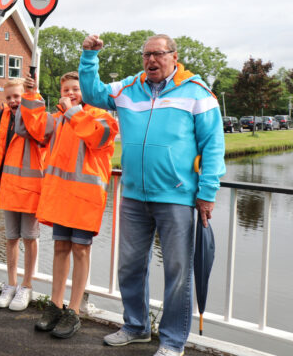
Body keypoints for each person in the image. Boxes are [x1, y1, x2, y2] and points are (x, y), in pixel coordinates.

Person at [79, 34, 225, 356]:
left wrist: (207, 191)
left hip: (176, 197)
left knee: (177, 271)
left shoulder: (197, 93)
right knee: (129, 266)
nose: (152, 61)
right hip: (133, 194)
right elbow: (91, 93)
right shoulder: (129, 89)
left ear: (174, 56)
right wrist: (89, 57)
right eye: (146, 55)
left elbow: (213, 145)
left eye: (158, 54)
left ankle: (173, 341)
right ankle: (136, 326)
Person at [25, 71, 118, 338]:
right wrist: (32, 95)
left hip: (85, 198)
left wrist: (73, 112)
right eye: (66, 90)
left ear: (85, 91)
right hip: (62, 197)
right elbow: (36, 129)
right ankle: (55, 305)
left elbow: (97, 138)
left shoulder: (103, 116)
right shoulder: (60, 118)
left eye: (75, 89)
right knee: (61, 248)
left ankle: (74, 311)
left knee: (80, 250)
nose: (70, 94)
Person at [0, 62, 45, 312]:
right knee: (10, 238)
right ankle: (11, 283)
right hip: (9, 188)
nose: (14, 101)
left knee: (30, 238)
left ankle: (26, 286)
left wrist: (32, 94)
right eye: (9, 98)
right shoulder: (4, 114)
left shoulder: (35, 115)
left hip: (29, 189)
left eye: (17, 96)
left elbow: (28, 125)